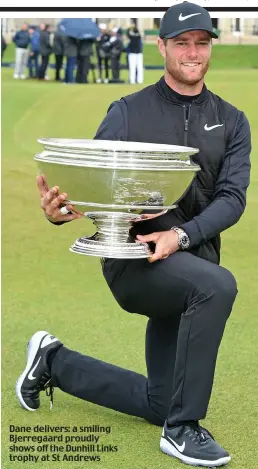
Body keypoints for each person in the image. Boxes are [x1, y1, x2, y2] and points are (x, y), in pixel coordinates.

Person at [16, 2, 251, 468]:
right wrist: (61, 211)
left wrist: (180, 238)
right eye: (181, 43)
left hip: (190, 268)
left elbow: (232, 198)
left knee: (160, 402)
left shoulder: (233, 120)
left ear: (210, 49)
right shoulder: (126, 112)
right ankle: (183, 431)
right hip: (135, 264)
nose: (192, 52)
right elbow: (93, 189)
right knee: (219, 286)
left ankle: (52, 362)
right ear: (161, 45)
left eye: (201, 43)